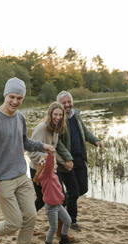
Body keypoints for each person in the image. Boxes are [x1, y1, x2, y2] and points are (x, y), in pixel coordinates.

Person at [0, 77, 55, 244]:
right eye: (12, 96)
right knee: (14, 222)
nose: (15, 101)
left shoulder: (20, 117)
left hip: (21, 176)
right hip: (3, 180)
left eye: (19, 98)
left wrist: (42, 146)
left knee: (31, 217)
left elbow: (25, 142)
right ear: (5, 95)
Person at [56, 90, 103, 231]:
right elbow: (57, 142)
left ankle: (61, 203)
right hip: (66, 162)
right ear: (59, 104)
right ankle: (72, 221)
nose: (67, 105)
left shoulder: (76, 115)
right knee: (74, 191)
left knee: (83, 188)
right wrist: (66, 159)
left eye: (69, 101)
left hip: (80, 158)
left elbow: (85, 131)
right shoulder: (58, 118)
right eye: (64, 103)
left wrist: (96, 141)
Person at [28, 102, 75, 241]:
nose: (58, 117)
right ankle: (28, 224)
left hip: (51, 171)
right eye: (55, 114)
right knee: (43, 201)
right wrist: (44, 160)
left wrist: (63, 162)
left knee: (61, 197)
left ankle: (60, 231)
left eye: (60, 115)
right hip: (38, 171)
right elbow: (31, 151)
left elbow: (52, 151)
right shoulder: (42, 128)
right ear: (50, 114)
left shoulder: (56, 128)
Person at [36, 153, 73, 244]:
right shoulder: (46, 175)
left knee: (68, 221)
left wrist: (61, 197)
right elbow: (49, 165)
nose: (55, 165)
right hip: (51, 207)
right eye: (54, 163)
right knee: (53, 227)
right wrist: (51, 154)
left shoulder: (53, 175)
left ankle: (63, 241)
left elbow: (58, 188)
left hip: (58, 205)